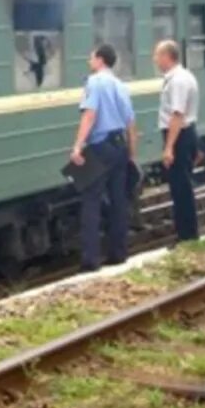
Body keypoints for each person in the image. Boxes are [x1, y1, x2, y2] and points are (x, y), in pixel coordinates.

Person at [70, 44, 139, 272]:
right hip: (119, 145)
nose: (89, 61)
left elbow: (90, 115)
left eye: (91, 57)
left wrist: (78, 146)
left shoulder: (94, 82)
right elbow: (131, 124)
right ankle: (118, 254)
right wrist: (131, 154)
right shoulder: (121, 85)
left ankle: (90, 260)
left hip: (99, 146)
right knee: (118, 200)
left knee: (91, 200)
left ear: (100, 60)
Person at [153, 39, 200, 242]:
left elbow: (177, 115)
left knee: (181, 188)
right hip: (183, 135)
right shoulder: (181, 77)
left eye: (157, 55)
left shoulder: (178, 80)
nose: (155, 59)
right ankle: (186, 233)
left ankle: (187, 236)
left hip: (179, 136)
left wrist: (169, 147)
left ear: (167, 56)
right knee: (181, 187)